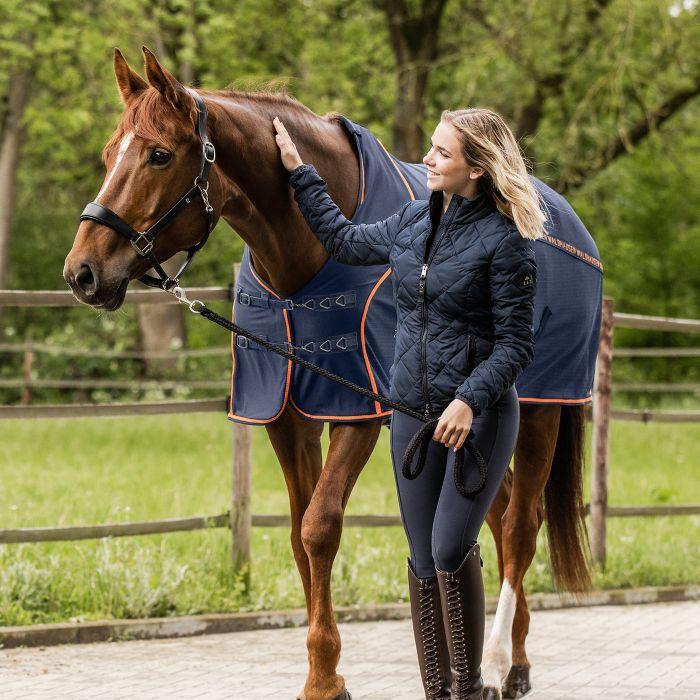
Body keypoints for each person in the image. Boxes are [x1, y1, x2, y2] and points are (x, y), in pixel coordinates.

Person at [273, 108, 543, 700]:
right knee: (422, 558)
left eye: (441, 153)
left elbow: (518, 344)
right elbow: (343, 239)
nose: (426, 158)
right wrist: (299, 172)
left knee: (450, 546)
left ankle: (468, 691)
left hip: (478, 418)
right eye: (431, 146)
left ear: (476, 167)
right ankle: (438, 693)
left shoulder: (506, 242)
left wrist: (470, 401)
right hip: (412, 415)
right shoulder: (414, 220)